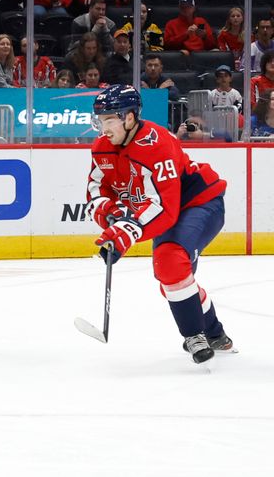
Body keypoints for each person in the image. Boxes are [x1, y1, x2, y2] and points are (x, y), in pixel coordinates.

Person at [86, 84, 233, 364]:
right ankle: (216, 333)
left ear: (129, 117)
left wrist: (124, 233)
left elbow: (164, 208)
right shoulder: (102, 147)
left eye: (109, 120)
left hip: (198, 202)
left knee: (169, 261)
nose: (103, 128)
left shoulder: (157, 142)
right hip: (165, 210)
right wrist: (111, 215)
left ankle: (195, 336)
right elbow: (96, 188)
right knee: (173, 278)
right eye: (100, 120)